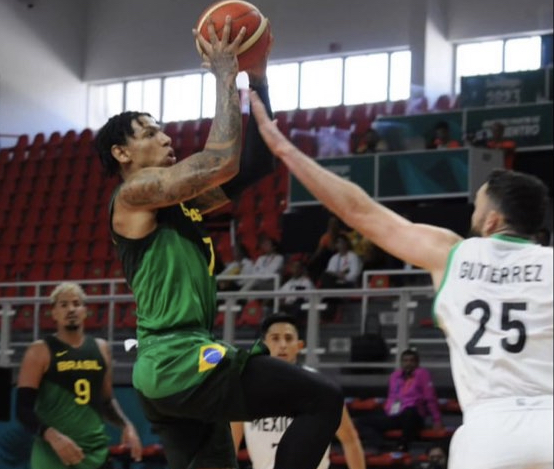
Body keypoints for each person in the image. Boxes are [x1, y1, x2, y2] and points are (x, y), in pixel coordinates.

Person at [250, 90, 553, 469]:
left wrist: (284, 150)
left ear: (492, 221)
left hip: (488, 432)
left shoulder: (452, 253)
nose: (473, 212)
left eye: (478, 206)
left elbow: (358, 210)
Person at [93, 19, 344, 469]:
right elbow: (220, 160)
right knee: (322, 399)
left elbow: (255, 163)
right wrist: (226, 76)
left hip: (171, 370)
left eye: (161, 129)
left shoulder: (175, 204)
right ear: (121, 153)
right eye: (149, 133)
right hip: (179, 360)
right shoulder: (133, 195)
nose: (165, 136)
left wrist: (259, 79)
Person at [16, 282, 143, 469]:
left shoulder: (101, 348)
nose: (71, 309)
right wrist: (53, 436)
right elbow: (23, 410)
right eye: (64, 304)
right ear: (54, 313)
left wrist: (126, 426)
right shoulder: (40, 351)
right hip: (54, 455)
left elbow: (107, 401)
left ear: (85, 311)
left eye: (76, 303)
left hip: (95, 454)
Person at [230, 313, 366, 469]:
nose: (282, 345)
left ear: (299, 346)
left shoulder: (321, 387)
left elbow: (350, 440)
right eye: (275, 338)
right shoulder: (246, 388)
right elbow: (230, 446)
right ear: (264, 344)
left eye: (288, 338)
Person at [356, 349, 443, 452]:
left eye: (411, 361)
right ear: (401, 362)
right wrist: (388, 411)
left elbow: (430, 398)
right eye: (405, 361)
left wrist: (436, 419)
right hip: (395, 414)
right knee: (361, 421)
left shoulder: (422, 374)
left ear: (417, 363)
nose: (408, 364)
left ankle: (402, 446)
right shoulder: (394, 376)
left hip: (413, 415)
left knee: (410, 412)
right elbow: (391, 396)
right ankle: (382, 446)